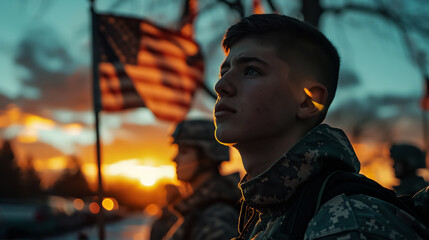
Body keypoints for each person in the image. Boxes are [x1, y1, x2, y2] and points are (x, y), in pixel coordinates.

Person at [213, 13, 429, 239]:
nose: (221, 85)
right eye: (224, 71)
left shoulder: (347, 224)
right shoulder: (268, 215)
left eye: (251, 70)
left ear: (308, 101)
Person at [162, 119, 241, 240]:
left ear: (207, 156)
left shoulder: (217, 218)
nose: (174, 159)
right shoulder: (198, 209)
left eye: (184, 152)